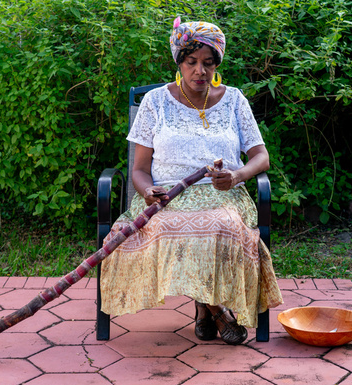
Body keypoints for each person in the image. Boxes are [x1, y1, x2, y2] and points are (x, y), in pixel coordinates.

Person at [99, 17, 283, 345]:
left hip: (223, 195)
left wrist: (237, 175)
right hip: (166, 198)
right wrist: (146, 190)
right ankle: (216, 311)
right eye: (191, 62)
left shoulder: (235, 100)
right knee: (169, 228)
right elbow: (139, 169)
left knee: (220, 226)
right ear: (179, 63)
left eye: (208, 64)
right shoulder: (155, 102)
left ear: (217, 65)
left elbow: (261, 157)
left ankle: (204, 309)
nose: (200, 71)